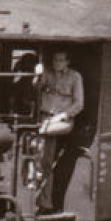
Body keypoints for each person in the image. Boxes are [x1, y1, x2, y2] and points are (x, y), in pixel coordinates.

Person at [35, 50, 84, 211]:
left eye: (61, 60)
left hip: (63, 121)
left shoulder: (75, 77)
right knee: (43, 159)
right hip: (44, 118)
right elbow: (35, 90)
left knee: (44, 157)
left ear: (67, 61)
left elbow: (78, 104)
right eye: (55, 60)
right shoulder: (47, 74)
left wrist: (62, 116)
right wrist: (37, 76)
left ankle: (45, 202)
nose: (57, 63)